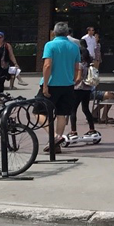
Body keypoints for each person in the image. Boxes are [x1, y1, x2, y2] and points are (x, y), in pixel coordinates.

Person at [42, 22, 82, 150]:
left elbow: (47, 65)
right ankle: (56, 143)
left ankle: (54, 137)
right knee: (61, 114)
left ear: (54, 32)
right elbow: (77, 67)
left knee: (38, 111)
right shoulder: (74, 47)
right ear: (67, 33)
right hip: (68, 84)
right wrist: (76, 78)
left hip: (53, 83)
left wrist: (45, 85)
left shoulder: (50, 45)